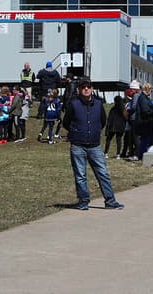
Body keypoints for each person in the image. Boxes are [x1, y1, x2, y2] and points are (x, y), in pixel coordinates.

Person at [61, 80, 124, 210]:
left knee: (103, 173)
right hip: (78, 145)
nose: (86, 89)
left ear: (92, 89)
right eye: (83, 87)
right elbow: (66, 122)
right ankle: (83, 201)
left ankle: (110, 201)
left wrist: (94, 131)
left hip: (94, 145)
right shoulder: (74, 104)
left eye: (88, 87)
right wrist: (76, 131)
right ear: (79, 89)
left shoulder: (98, 104)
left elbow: (102, 121)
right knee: (80, 175)